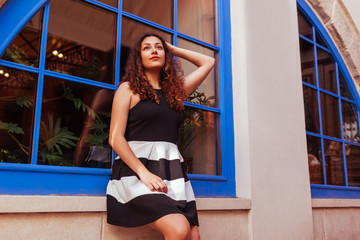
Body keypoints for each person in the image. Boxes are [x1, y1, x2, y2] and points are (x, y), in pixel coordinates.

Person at [106, 33, 215, 240]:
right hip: (136, 171)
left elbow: (208, 62)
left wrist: (172, 49)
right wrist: (144, 173)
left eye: (159, 47)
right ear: (139, 57)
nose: (154, 50)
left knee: (193, 235)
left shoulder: (175, 91)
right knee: (179, 228)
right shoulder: (128, 89)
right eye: (147, 48)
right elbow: (115, 138)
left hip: (171, 171)